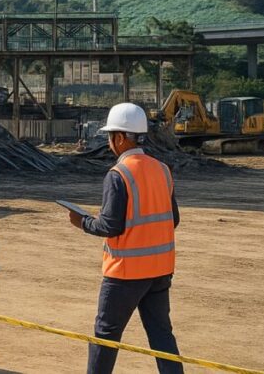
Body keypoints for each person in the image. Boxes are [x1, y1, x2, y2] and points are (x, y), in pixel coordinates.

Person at [68, 102, 183, 374]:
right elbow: (172, 219)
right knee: (161, 335)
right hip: (160, 270)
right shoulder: (162, 170)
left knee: (105, 335)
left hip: (125, 273)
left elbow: (109, 225)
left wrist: (82, 221)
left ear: (120, 138)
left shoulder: (119, 174)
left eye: (110, 137)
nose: (109, 142)